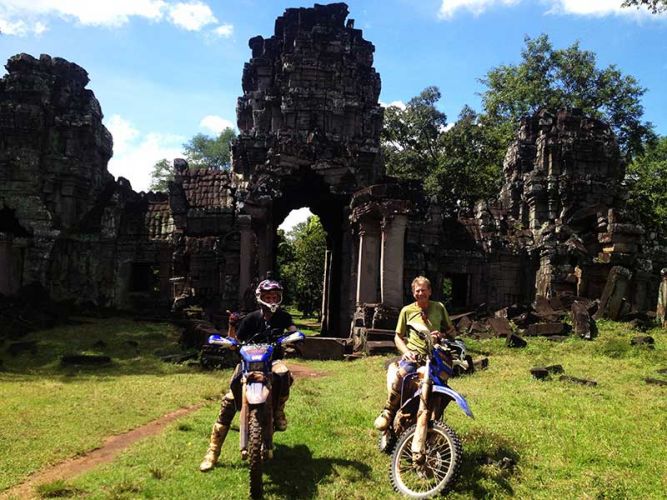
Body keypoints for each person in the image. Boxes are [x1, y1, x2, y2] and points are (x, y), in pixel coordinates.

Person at [200, 278, 297, 472]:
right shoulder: (251, 318)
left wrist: (293, 338)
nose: (271, 300)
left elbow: (293, 330)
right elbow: (235, 339)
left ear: (279, 297)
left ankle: (278, 410)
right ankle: (212, 451)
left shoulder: (283, 316)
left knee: (285, 374)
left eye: (274, 296)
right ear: (260, 298)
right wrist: (232, 326)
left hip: (272, 362)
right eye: (268, 296)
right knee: (228, 401)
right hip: (248, 363)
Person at [374, 275, 455, 431]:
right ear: (413, 293)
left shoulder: (439, 307)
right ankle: (388, 410)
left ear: (430, 291)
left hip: (435, 358)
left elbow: (452, 332)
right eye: (417, 291)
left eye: (424, 290)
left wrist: (441, 335)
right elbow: (397, 336)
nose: (420, 294)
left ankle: (433, 422)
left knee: (442, 390)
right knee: (403, 374)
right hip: (414, 356)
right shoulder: (407, 311)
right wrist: (406, 351)